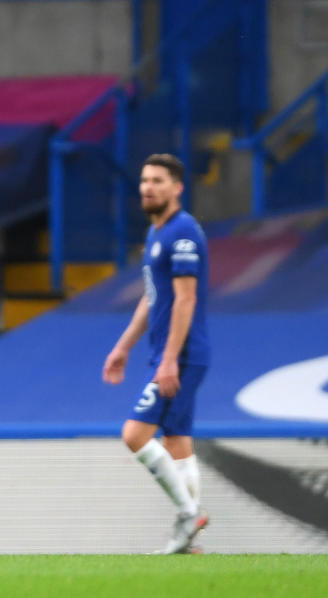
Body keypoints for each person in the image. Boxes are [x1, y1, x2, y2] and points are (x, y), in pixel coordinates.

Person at [102, 153, 211, 554]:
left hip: (180, 355)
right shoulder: (157, 233)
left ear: (177, 188)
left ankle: (189, 513)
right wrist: (123, 346)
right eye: (145, 180)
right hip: (172, 353)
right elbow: (153, 299)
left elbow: (185, 299)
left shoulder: (182, 233)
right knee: (177, 441)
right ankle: (190, 540)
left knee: (134, 434)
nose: (148, 187)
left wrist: (168, 359)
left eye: (158, 181)